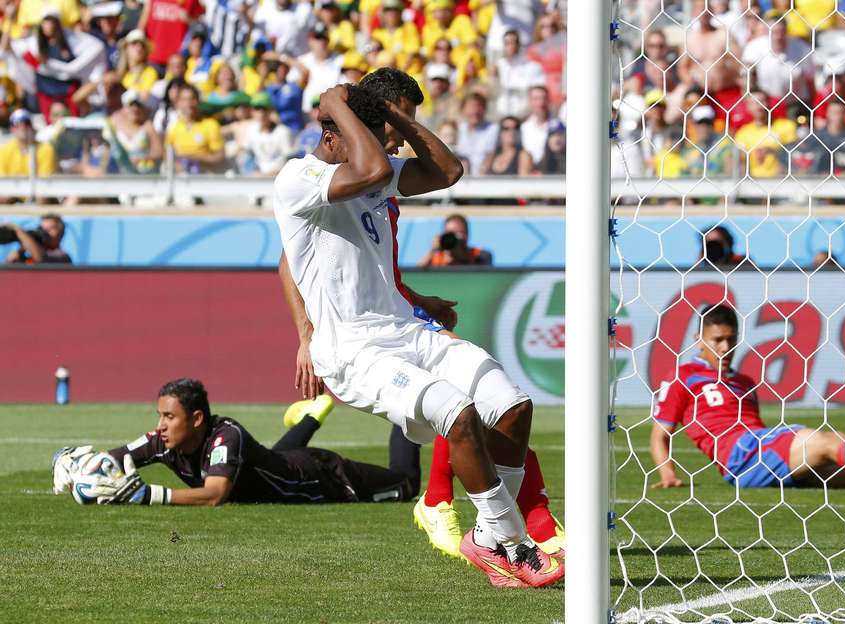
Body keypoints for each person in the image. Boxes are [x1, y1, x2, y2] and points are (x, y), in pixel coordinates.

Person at [272, 82, 563, 587]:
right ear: (333, 132)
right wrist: (337, 101)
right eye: (379, 131)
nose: (391, 143)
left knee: (512, 405)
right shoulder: (301, 177)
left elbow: (448, 171)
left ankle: (491, 537)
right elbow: (372, 172)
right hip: (355, 350)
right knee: (458, 414)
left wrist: (388, 116)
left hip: (405, 328)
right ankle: (512, 543)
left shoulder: (373, 170)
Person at [651, 305, 845, 492]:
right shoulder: (683, 375)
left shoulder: (744, 382)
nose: (725, 347)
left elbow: (756, 426)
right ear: (698, 339)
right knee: (828, 442)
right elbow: (660, 434)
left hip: (760, 447)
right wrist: (668, 474)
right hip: (740, 455)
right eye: (717, 340)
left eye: (731, 338)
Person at [56, 378, 417, 505]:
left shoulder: (227, 435)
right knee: (273, 461)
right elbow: (113, 459)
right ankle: (314, 413)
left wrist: (145, 495)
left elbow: (215, 496)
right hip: (277, 467)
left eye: (169, 417)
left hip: (325, 479)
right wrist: (71, 466)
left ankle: (410, 405)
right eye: (160, 416)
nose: (160, 426)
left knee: (407, 484)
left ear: (196, 419)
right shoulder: (164, 440)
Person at [165, 83, 225, 173]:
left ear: (198, 101)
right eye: (184, 99)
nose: (189, 103)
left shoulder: (210, 124)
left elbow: (220, 157)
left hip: (204, 175)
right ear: (178, 103)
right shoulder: (173, 126)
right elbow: (167, 155)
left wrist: (193, 158)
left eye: (192, 99)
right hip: (180, 176)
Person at [0, 110, 57, 185]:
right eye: (16, 124)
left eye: (26, 123)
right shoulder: (4, 151)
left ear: (32, 126)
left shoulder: (46, 149)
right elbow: (3, 186)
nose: (22, 127)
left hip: (39, 193)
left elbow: (44, 187)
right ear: (11, 128)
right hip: (11, 195)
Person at [417, 213, 494, 267]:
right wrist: (432, 251)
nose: (453, 237)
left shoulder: (480, 255)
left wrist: (461, 255)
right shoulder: (437, 257)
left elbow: (482, 274)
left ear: (467, 235)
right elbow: (417, 276)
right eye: (450, 233)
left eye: (459, 232)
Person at [455, 92, 499, 176]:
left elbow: (491, 154)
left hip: (484, 179)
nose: (475, 111)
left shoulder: (493, 128)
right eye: (471, 106)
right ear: (463, 109)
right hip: (461, 179)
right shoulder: (459, 129)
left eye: (479, 106)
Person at [3, 213, 72, 264]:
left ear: (61, 232)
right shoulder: (28, 257)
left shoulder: (63, 257)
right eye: (41, 228)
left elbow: (41, 259)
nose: (45, 232)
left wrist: (20, 232)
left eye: (50, 229)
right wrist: (13, 259)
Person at [520, 85, 555, 165]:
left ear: (549, 100)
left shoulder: (559, 126)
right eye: (536, 99)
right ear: (529, 101)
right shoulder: (523, 128)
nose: (540, 103)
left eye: (543, 98)